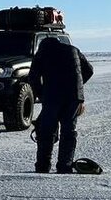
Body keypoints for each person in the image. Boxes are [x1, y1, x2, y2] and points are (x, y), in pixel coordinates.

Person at [28, 36, 94, 173]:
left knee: (47, 132)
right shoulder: (73, 50)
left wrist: (41, 94)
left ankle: (43, 166)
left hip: (52, 97)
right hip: (73, 97)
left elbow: (33, 77)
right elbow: (89, 70)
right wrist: (78, 87)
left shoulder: (42, 53)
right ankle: (65, 166)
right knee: (68, 131)